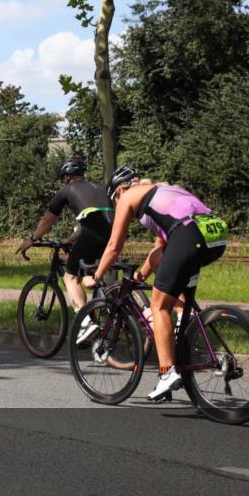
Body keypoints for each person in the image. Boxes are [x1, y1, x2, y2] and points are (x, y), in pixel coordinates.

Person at [91, 166, 228, 401]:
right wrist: (141, 275)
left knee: (159, 306)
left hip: (188, 236)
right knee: (177, 295)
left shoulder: (130, 196)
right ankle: (191, 336)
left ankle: (167, 372)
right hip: (214, 236)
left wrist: (96, 277)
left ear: (121, 189)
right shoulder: (164, 191)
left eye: (115, 200)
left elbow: (114, 246)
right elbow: (160, 250)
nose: (117, 206)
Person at [17, 157, 113, 344]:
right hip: (113, 233)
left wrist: (32, 239)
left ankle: (85, 323)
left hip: (94, 233)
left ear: (67, 177)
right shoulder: (99, 187)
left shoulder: (66, 190)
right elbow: (96, 220)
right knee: (90, 275)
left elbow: (48, 220)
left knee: (70, 276)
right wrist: (71, 240)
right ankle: (104, 313)